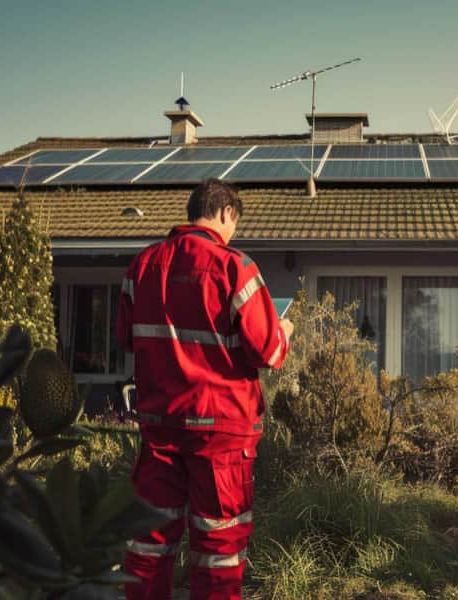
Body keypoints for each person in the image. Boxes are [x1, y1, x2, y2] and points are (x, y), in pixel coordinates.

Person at [117, 178, 293, 599]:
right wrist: (285, 330)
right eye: (235, 224)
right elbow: (269, 352)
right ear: (226, 212)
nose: (234, 234)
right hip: (221, 436)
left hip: (160, 429)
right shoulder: (236, 267)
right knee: (218, 552)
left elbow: (128, 340)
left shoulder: (141, 266)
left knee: (149, 544)